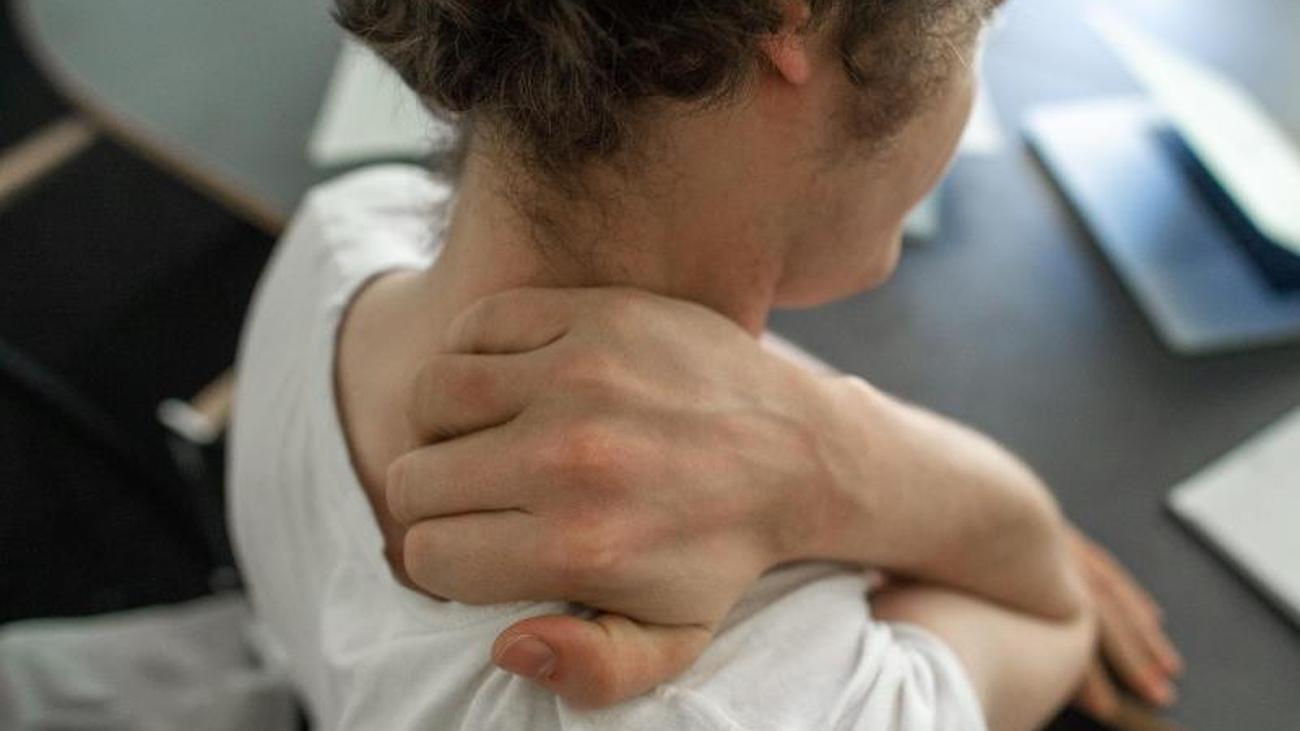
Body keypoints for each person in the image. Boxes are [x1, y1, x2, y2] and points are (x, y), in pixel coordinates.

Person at [229, 0, 1182, 728]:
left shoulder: (347, 235)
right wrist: (858, 461)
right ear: (789, 20)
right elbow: (1052, 609)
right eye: (982, 18)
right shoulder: (758, 702)